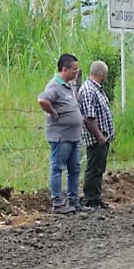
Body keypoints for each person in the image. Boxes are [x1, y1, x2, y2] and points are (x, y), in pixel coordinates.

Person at [37, 52, 84, 213]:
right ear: (64, 69)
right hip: (61, 136)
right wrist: (53, 113)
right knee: (57, 168)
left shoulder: (68, 86)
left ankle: (73, 199)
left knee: (75, 168)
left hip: (73, 136)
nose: (76, 73)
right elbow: (42, 100)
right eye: (74, 70)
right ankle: (57, 202)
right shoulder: (54, 86)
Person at [77, 60, 115, 210]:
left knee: (99, 168)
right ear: (101, 74)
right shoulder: (88, 91)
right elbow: (89, 118)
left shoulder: (96, 89)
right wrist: (99, 136)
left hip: (102, 137)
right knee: (93, 168)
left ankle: (97, 198)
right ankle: (90, 198)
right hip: (96, 138)